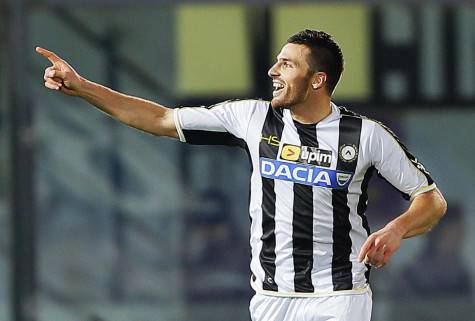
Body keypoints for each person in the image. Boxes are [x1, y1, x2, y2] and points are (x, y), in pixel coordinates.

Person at [37, 29, 447, 321]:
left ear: (318, 79)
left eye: (287, 64)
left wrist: (396, 229)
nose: (273, 70)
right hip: (269, 299)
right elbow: (160, 117)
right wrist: (84, 87)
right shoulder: (250, 117)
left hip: (337, 297)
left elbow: (431, 199)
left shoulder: (367, 136)